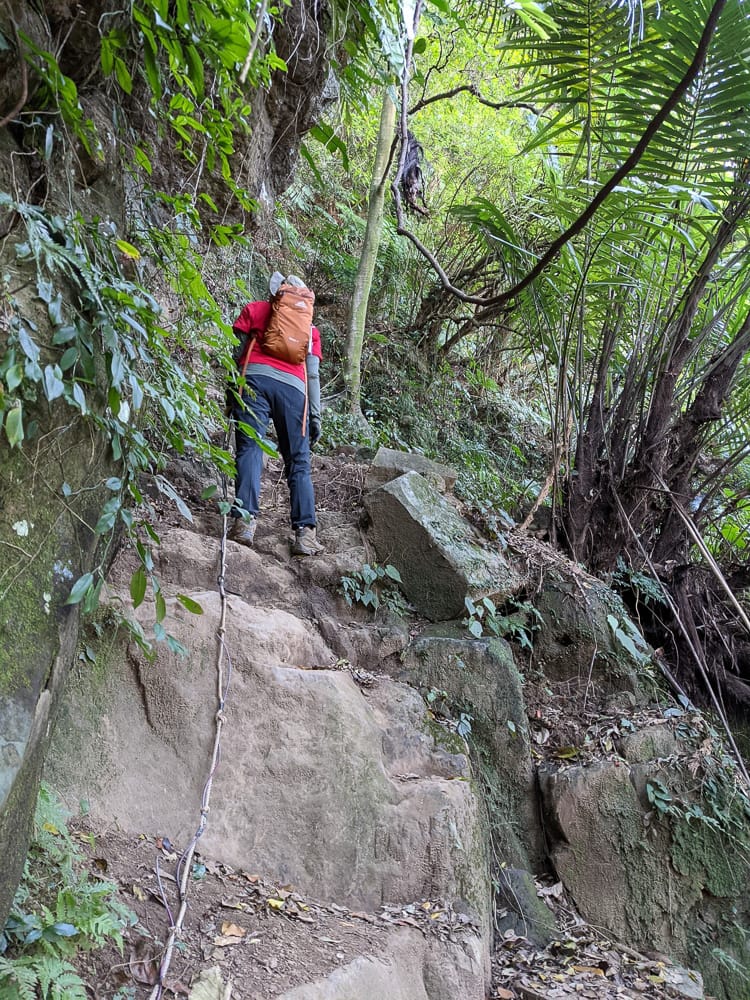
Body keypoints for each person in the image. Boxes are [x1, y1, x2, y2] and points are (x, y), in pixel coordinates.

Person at [229, 272, 323, 556]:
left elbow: (238, 353)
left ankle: (244, 522)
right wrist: (315, 416)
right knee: (298, 461)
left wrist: (232, 392)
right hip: (294, 390)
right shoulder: (310, 331)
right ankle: (305, 534)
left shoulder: (255, 310)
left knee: (250, 448)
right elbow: (313, 376)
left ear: (276, 294)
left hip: (254, 379)